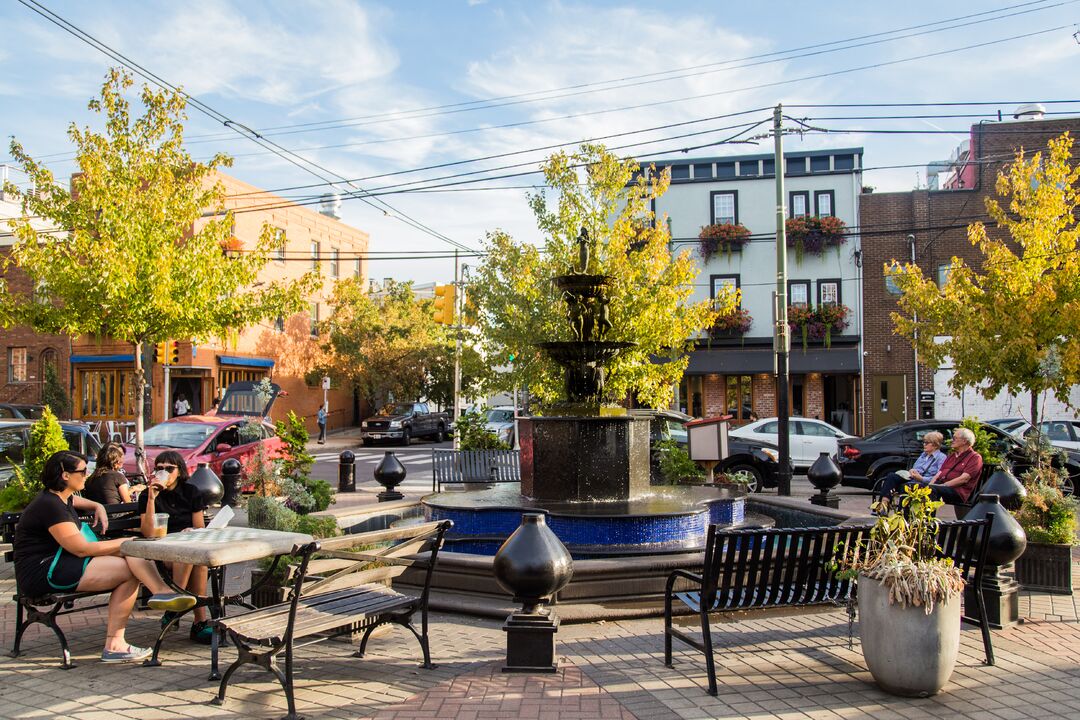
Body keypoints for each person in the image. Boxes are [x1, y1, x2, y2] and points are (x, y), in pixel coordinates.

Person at [13, 451, 195, 663]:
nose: (86, 475)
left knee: (128, 559)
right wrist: (123, 543)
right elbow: (81, 549)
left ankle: (157, 598)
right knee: (128, 562)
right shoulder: (50, 506)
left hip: (61, 563)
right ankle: (128, 630)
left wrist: (97, 505)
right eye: (82, 471)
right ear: (65, 475)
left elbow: (76, 503)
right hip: (43, 571)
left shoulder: (61, 498)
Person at [138, 450, 212, 643]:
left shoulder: (191, 492)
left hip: (186, 546)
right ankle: (199, 622)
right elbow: (147, 532)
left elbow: (199, 528)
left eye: (169, 468)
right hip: (160, 549)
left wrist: (190, 532)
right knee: (188, 557)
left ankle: (174, 608)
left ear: (179, 471)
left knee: (196, 561)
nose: (164, 472)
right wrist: (152, 498)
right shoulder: (148, 495)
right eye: (159, 468)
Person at [877, 431, 947, 502]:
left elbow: (939, 477)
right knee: (891, 476)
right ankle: (884, 503)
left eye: (926, 443)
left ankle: (901, 511)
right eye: (923, 442)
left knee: (906, 487)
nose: (924, 445)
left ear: (935, 445)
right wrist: (912, 471)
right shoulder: (923, 455)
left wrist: (921, 478)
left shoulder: (941, 457)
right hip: (912, 478)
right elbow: (915, 467)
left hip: (924, 483)